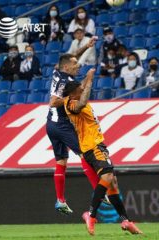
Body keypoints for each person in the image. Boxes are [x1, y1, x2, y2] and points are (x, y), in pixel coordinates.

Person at [62, 78, 142, 236]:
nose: (83, 90)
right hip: (92, 146)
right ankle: (90, 216)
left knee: (112, 184)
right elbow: (82, 102)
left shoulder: (74, 97)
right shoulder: (72, 104)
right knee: (107, 176)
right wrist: (90, 81)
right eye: (80, 89)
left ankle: (126, 220)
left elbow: (81, 91)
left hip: (97, 145)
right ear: (72, 94)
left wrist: (88, 77)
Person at [46, 54, 100, 215]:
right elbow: (53, 101)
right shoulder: (65, 82)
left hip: (50, 124)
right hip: (62, 125)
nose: (79, 66)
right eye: (75, 64)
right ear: (67, 67)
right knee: (85, 153)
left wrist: (87, 47)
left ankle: (60, 200)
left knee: (61, 161)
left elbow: (68, 58)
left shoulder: (58, 72)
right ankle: (100, 191)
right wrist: (86, 81)